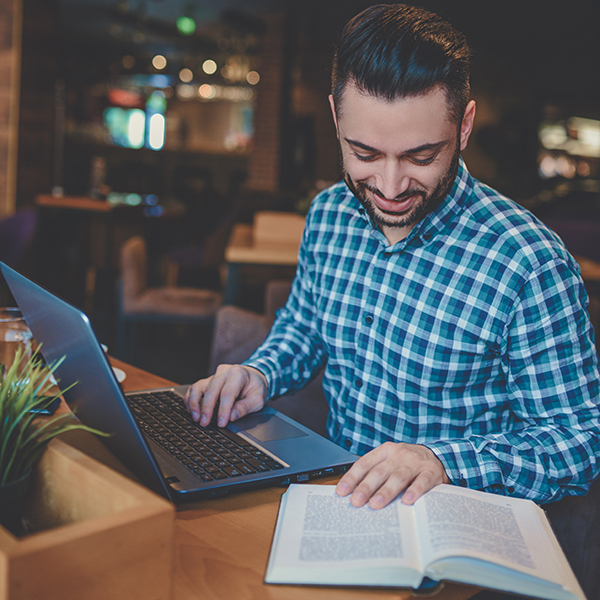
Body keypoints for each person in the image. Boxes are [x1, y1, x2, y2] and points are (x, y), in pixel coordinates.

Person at [186, 1, 600, 526]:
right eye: (364, 153)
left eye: (420, 157)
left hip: (453, 529)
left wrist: (441, 462)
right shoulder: (330, 214)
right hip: (335, 502)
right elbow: (306, 326)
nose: (388, 187)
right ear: (337, 117)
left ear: (464, 126)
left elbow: (578, 442)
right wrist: (260, 372)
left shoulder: (528, 263)